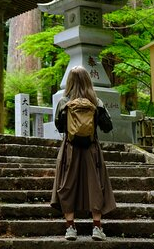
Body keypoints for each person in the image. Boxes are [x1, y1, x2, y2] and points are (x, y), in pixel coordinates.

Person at [51, 65, 116, 241]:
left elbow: (58, 126)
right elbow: (108, 126)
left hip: (69, 149)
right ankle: (96, 227)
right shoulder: (97, 102)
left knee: (67, 184)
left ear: (70, 82)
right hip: (91, 148)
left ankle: (70, 228)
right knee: (96, 184)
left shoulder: (64, 102)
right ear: (88, 80)